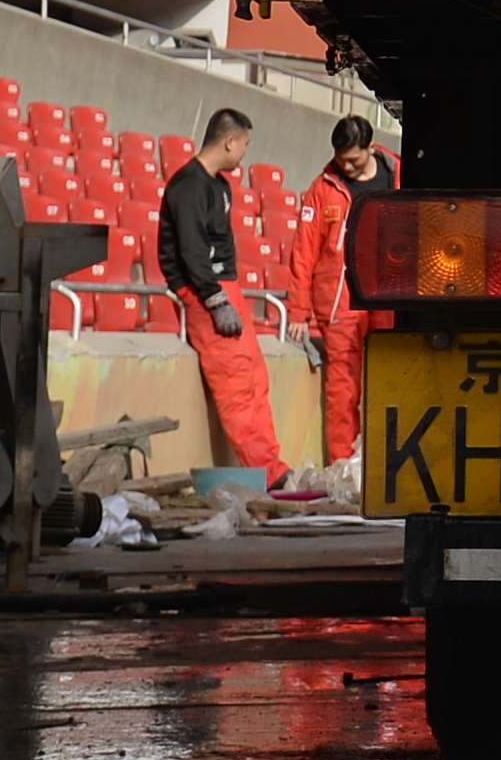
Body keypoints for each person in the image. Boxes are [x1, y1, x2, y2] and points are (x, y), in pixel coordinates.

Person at [161, 109, 286, 478]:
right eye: (245, 144)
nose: (246, 152)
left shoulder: (219, 185)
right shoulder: (188, 186)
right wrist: (215, 301)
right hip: (205, 292)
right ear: (229, 141)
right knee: (235, 384)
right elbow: (191, 249)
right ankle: (268, 472)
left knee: (254, 378)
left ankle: (274, 464)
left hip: (228, 287)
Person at [301, 116, 390, 483]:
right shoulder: (323, 188)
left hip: (388, 296)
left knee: (387, 382)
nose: (347, 166)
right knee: (343, 390)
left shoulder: (398, 175)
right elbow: (302, 252)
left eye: (353, 160)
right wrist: (296, 311)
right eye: (341, 159)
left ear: (371, 148)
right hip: (341, 302)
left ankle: (387, 466)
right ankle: (343, 471)